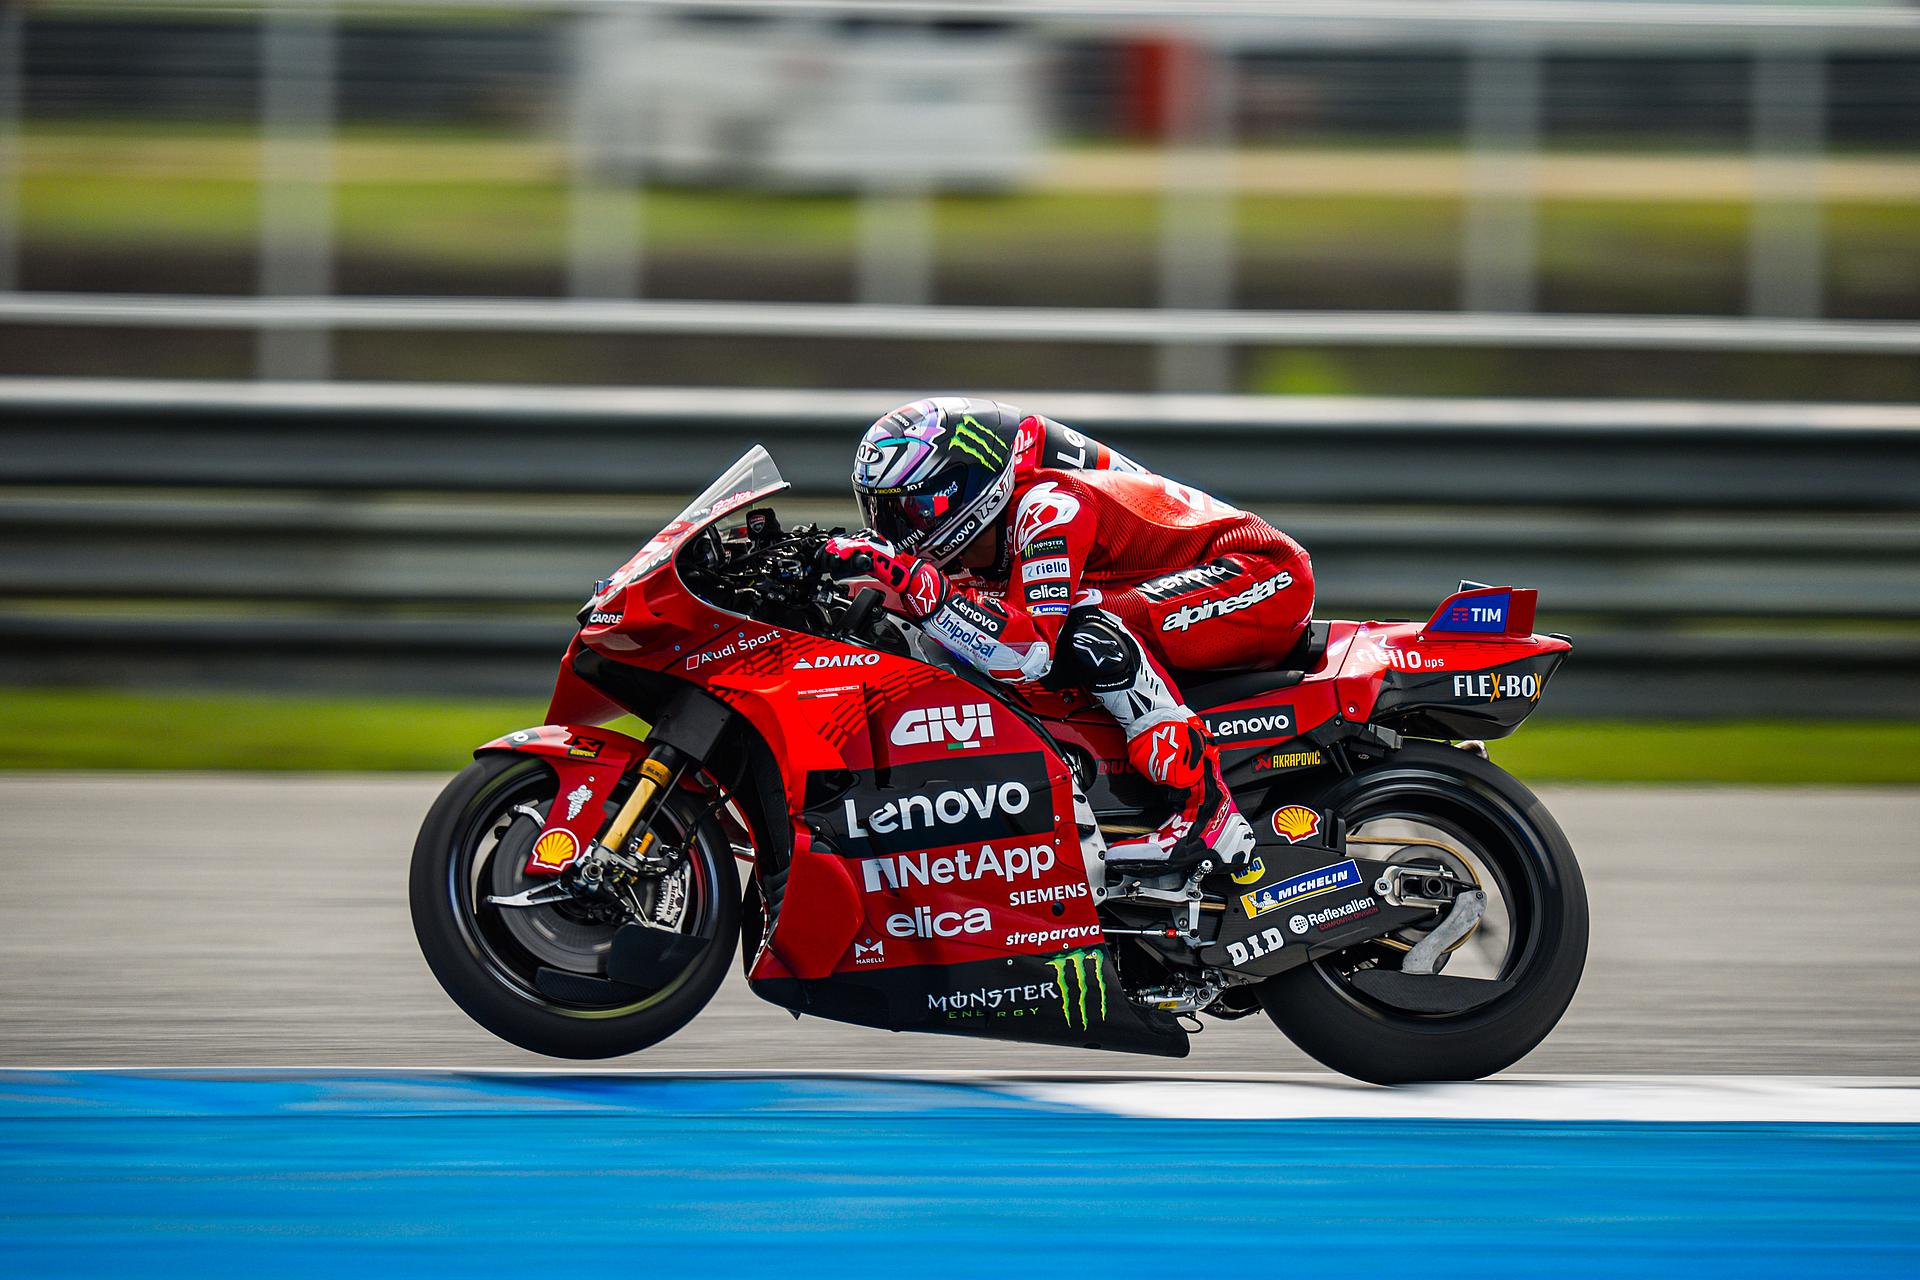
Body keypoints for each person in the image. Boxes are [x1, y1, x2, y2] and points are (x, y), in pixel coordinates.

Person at [825, 397, 1314, 872]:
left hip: (1262, 573)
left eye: (907, 509)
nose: (889, 529)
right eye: (877, 512)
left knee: (1084, 630)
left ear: (960, 488)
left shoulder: (1049, 507)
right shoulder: (989, 525)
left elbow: (1027, 651)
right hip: (1181, 578)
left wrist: (910, 578)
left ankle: (1207, 813)